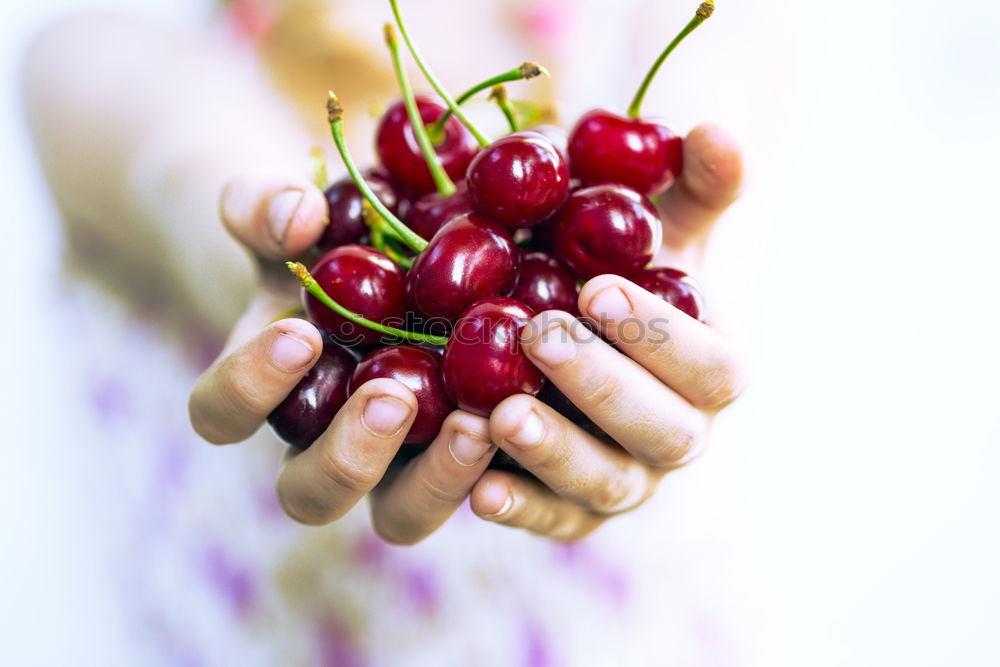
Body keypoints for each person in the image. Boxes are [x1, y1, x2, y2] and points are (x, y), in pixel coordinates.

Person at [22, 0, 747, 662]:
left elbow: (692, 283)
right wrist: (272, 253)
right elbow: (180, 164)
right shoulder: (95, 56)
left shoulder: (658, 21)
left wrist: (668, 370)